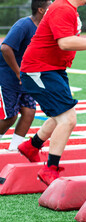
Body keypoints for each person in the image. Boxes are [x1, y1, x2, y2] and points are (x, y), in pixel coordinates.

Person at [18, 0, 86, 185]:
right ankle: (50, 168)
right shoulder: (63, 8)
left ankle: (31, 147)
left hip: (53, 69)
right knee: (68, 119)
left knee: (61, 114)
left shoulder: (68, 9)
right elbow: (65, 43)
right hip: (40, 69)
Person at [0, 0, 52, 151]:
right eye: (50, 5)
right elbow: (5, 48)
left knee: (29, 112)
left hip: (27, 77)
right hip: (8, 75)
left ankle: (15, 149)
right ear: (41, 10)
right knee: (10, 116)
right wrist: (18, 72)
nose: (54, 7)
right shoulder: (23, 25)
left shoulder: (46, 28)